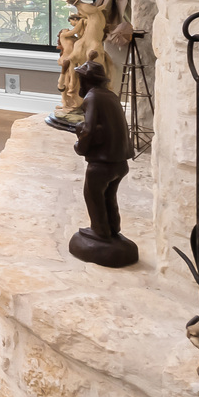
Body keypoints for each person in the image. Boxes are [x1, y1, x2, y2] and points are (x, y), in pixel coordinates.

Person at [69, 59, 138, 267]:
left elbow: (89, 129)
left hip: (102, 163)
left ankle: (99, 232)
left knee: (93, 194)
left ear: (86, 80)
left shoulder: (92, 97)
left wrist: (80, 146)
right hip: (120, 162)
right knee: (109, 196)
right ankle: (112, 228)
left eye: (80, 77)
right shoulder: (111, 95)